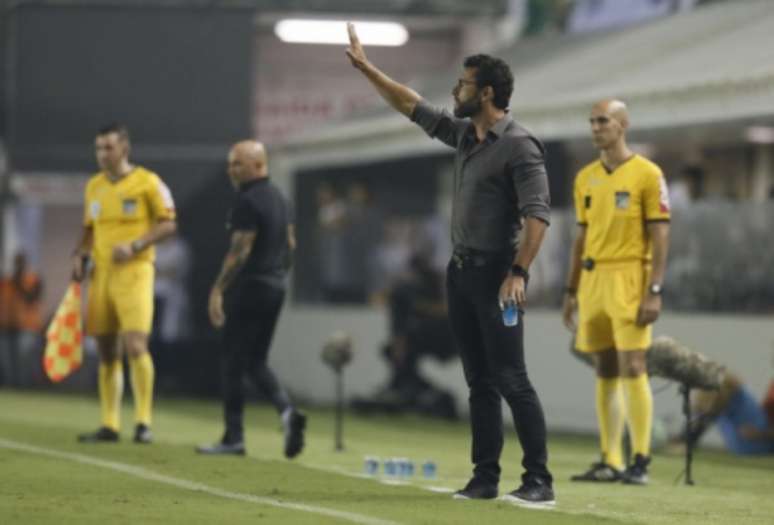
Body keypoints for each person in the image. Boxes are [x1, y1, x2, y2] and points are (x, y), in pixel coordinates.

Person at [346, 23, 554, 505]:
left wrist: (517, 273)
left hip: (499, 276)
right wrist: (367, 69)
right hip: (460, 275)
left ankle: (539, 481)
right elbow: (411, 105)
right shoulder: (465, 136)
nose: (454, 91)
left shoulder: (520, 145)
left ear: (484, 92)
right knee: (478, 381)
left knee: (511, 378)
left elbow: (538, 218)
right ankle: (485, 479)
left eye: (462, 84)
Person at [562, 100, 671, 485]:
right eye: (591, 121)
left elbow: (660, 236)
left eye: (602, 120)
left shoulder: (648, 174)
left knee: (634, 365)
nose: (595, 127)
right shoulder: (585, 177)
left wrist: (654, 290)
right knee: (604, 367)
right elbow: (582, 235)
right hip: (593, 279)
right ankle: (611, 459)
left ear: (623, 124)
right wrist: (571, 288)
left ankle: (640, 459)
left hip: (630, 276)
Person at [196, 140, 306, 458]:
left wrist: (218, 289)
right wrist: (278, 276)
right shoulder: (281, 199)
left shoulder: (247, 201)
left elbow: (239, 251)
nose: (231, 170)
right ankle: (287, 412)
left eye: (238, 164)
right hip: (275, 287)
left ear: (258, 165)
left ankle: (234, 437)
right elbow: (290, 244)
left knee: (232, 361)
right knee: (256, 360)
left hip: (250, 287)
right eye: (230, 164)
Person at [71, 123, 177, 444]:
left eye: (108, 148)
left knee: (135, 346)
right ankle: (110, 424)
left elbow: (169, 223)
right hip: (101, 275)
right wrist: (79, 255)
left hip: (135, 273)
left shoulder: (148, 182)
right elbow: (89, 229)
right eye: (98, 148)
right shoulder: (94, 186)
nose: (103, 154)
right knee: (106, 350)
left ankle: (143, 422)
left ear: (124, 149)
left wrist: (136, 245)